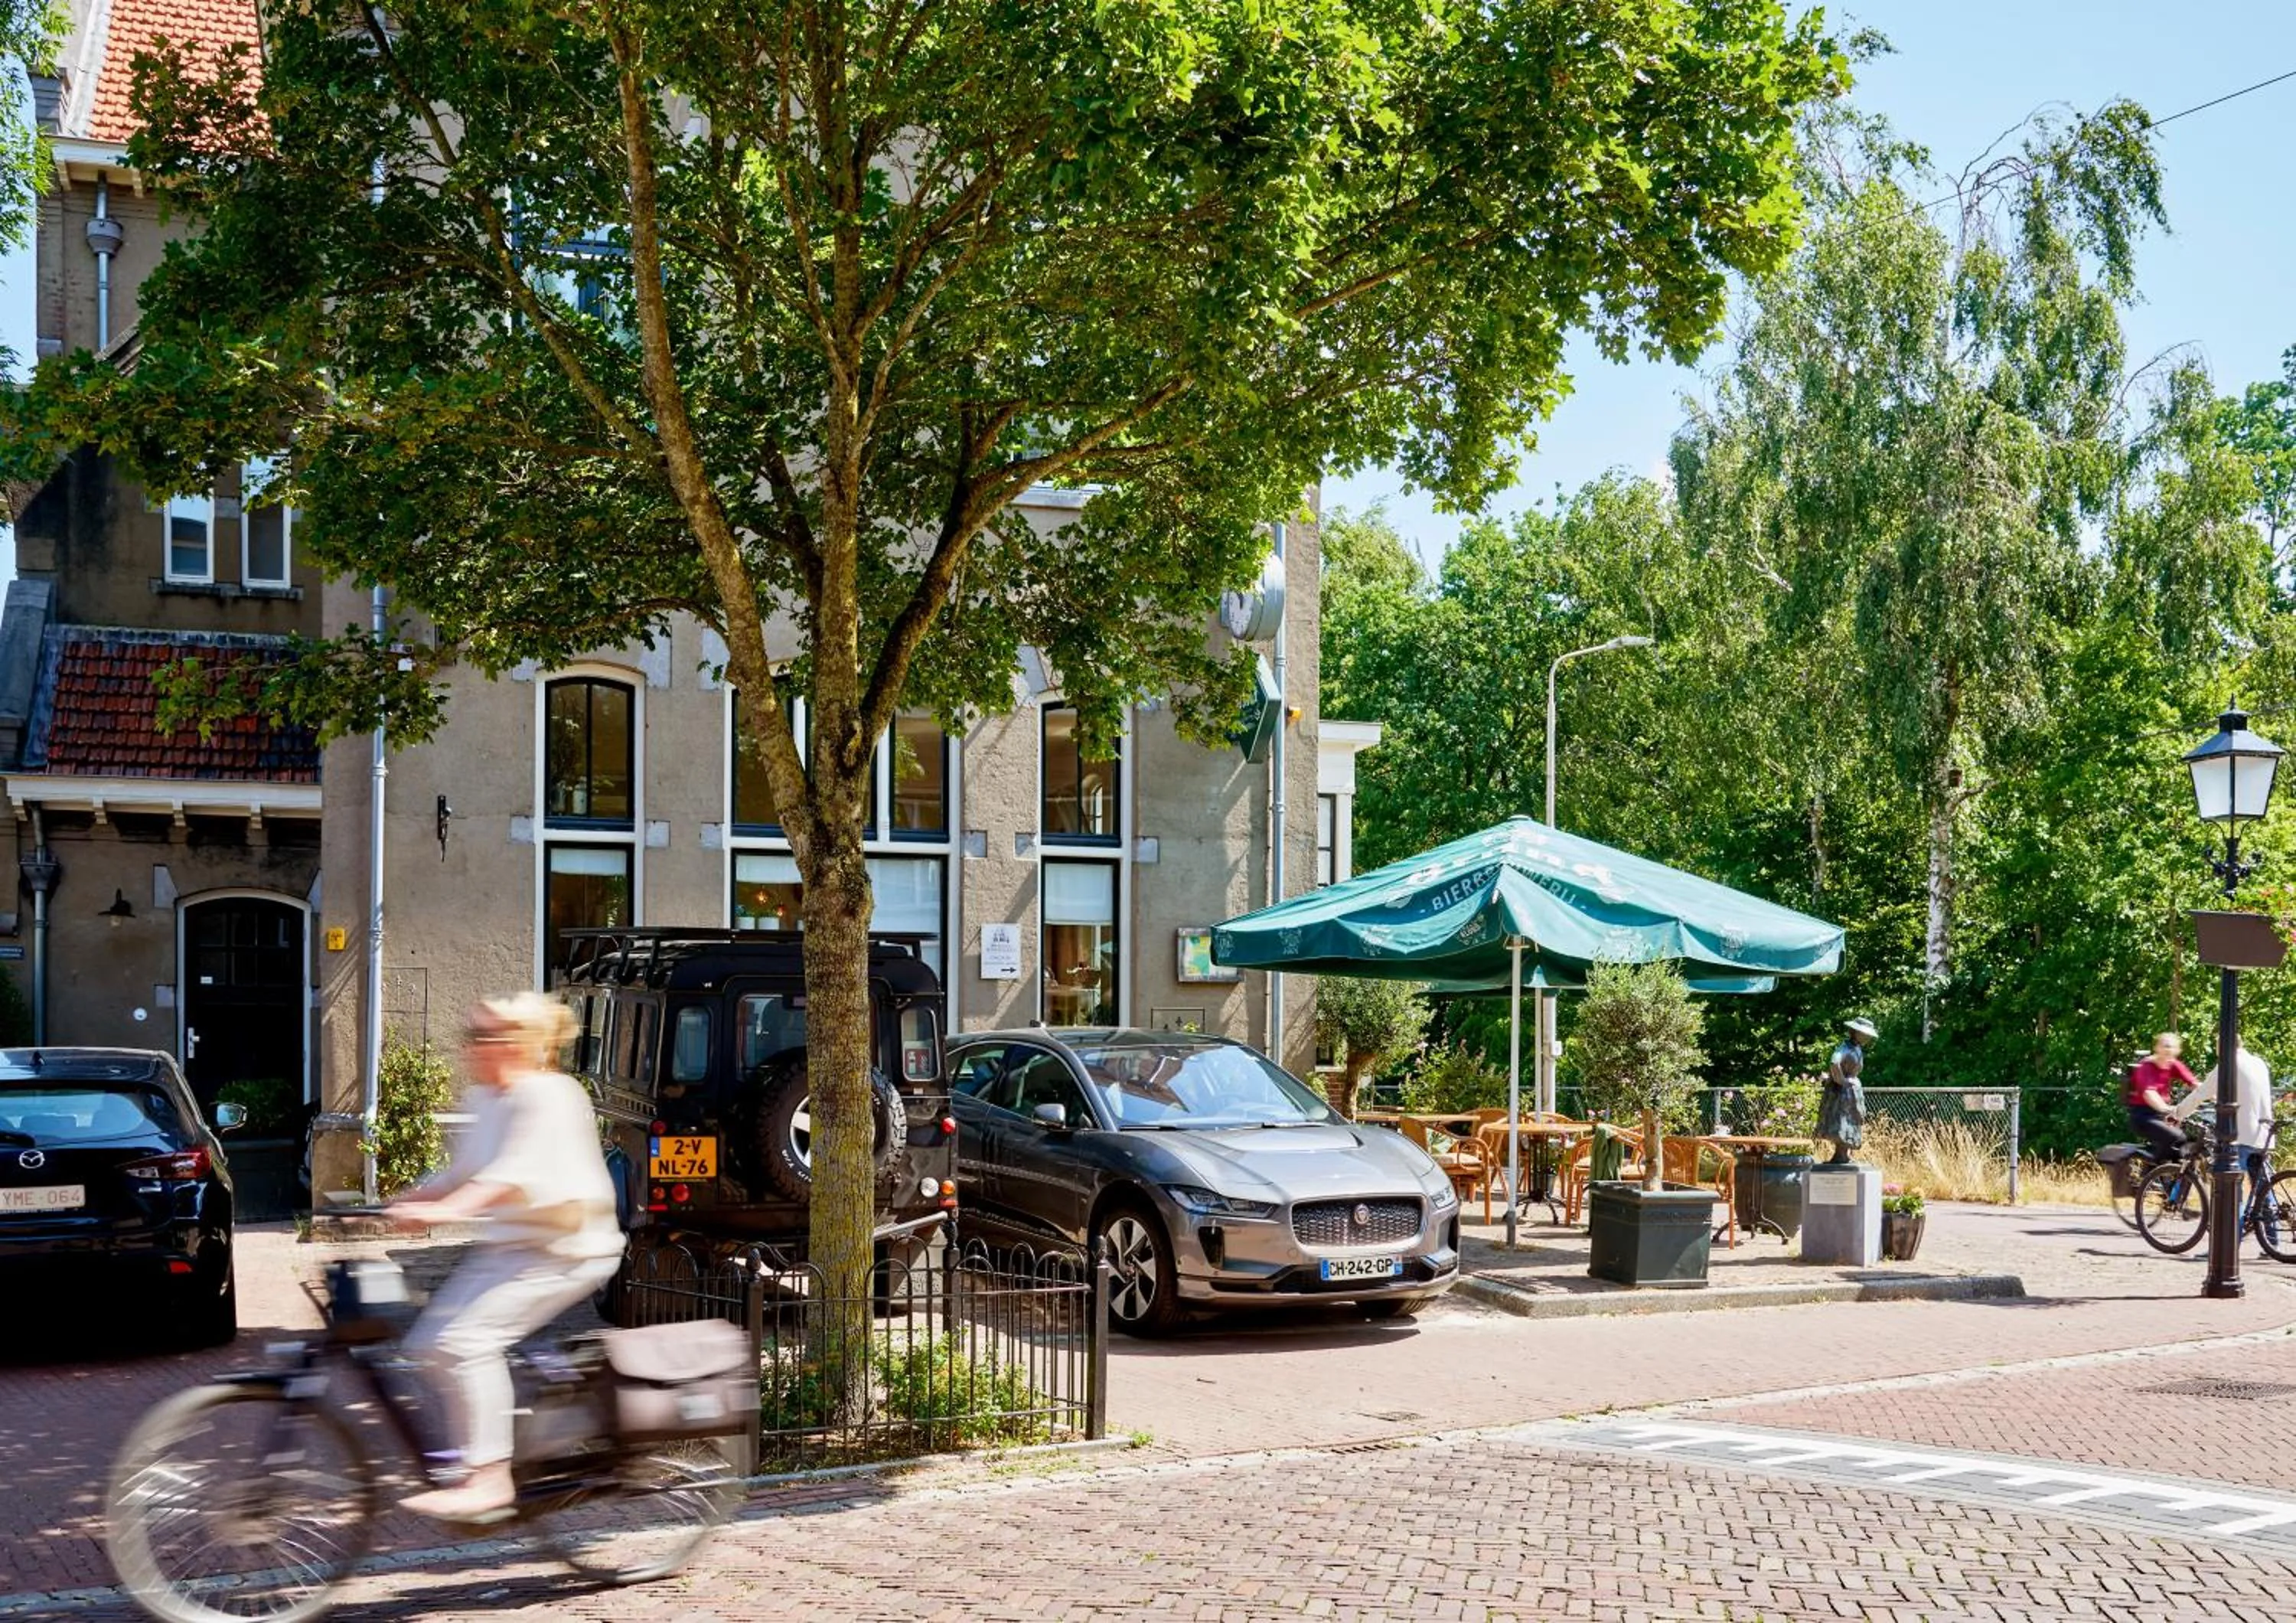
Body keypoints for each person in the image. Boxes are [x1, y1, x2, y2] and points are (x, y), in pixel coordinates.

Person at [390, 993, 625, 1521]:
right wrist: (402, 1201)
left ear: (517, 1044)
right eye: (468, 1036)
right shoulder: (483, 1100)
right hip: (511, 1247)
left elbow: (510, 1175)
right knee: (428, 1344)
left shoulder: (551, 1095)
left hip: (567, 1248)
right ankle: (504, 1428)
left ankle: (489, 1478)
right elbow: (460, 1174)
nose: (470, 1048)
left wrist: (447, 1210)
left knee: (466, 1341)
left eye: (481, 1037)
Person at [2197, 1040, 2277, 1243]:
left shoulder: (2227, 1064)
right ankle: (2272, 1242)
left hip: (2241, 1136)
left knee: (2232, 1193)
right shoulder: (2259, 1063)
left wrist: (2177, 1113)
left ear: (2221, 1047)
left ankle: (2228, 1246)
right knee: (2263, 1191)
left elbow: (2201, 1093)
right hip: (2263, 1133)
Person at [2127, 1032, 2198, 1162]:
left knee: (2190, 1141)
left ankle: (2172, 1175)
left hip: (2162, 1116)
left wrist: (2216, 1098)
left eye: (2171, 1047)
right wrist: (2166, 1108)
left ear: (2177, 1050)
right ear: (2157, 1048)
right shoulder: (2146, 1066)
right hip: (2143, 1117)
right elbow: (2149, 1094)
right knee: (2178, 1138)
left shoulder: (2172, 1064)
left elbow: (2195, 1084)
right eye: (2165, 1046)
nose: (2168, 1050)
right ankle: (2152, 1169)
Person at [1815, 1017, 1876, 1165]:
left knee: (1853, 1120)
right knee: (1842, 1121)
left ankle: (1844, 1154)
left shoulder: (1857, 1048)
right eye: (1864, 1034)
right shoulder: (1845, 1048)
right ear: (1855, 1032)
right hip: (1844, 1091)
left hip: (1852, 1089)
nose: (1867, 1038)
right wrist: (1841, 1081)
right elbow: (1835, 1062)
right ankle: (1840, 1154)